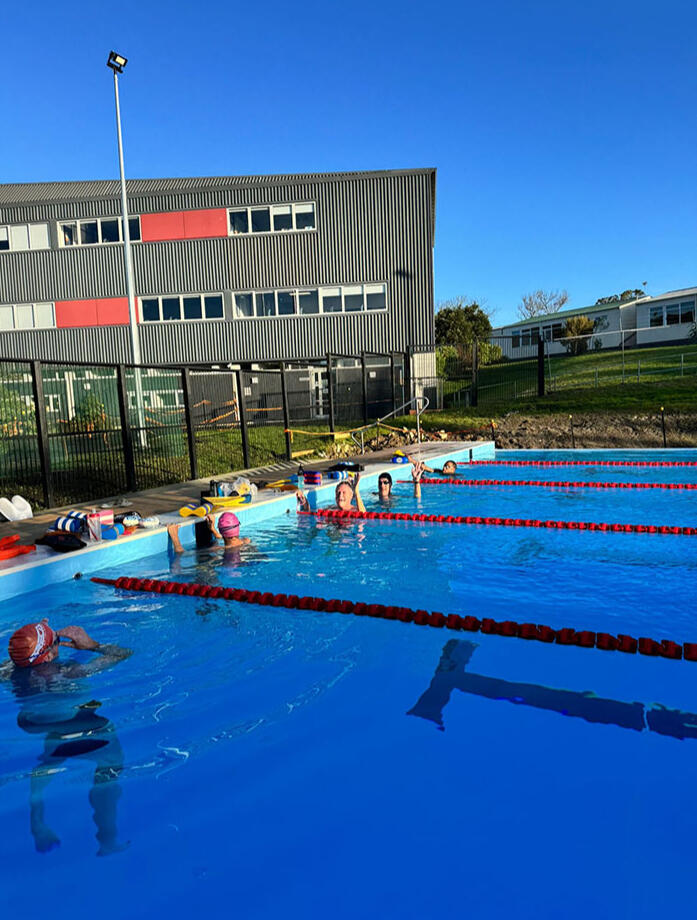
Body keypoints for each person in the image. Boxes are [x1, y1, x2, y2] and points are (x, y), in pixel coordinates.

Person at [3, 619, 131, 856]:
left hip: (46, 727)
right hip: (89, 729)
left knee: (48, 763)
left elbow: (22, 657)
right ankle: (107, 837)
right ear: (50, 656)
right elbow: (122, 654)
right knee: (109, 771)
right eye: (56, 643)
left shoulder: (8, 674)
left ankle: (38, 821)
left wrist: (33, 643)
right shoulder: (70, 671)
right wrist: (92, 644)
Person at [168, 511, 251, 562]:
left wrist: (175, 537)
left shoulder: (218, 549)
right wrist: (212, 529)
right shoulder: (246, 541)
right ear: (238, 527)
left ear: (221, 531)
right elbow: (229, 539)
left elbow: (182, 554)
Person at [297, 472, 365, 513]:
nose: (340, 495)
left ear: (351, 496)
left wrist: (356, 492)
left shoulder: (355, 510)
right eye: (338, 493)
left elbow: (364, 515)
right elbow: (310, 515)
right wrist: (305, 501)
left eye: (344, 493)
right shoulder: (330, 509)